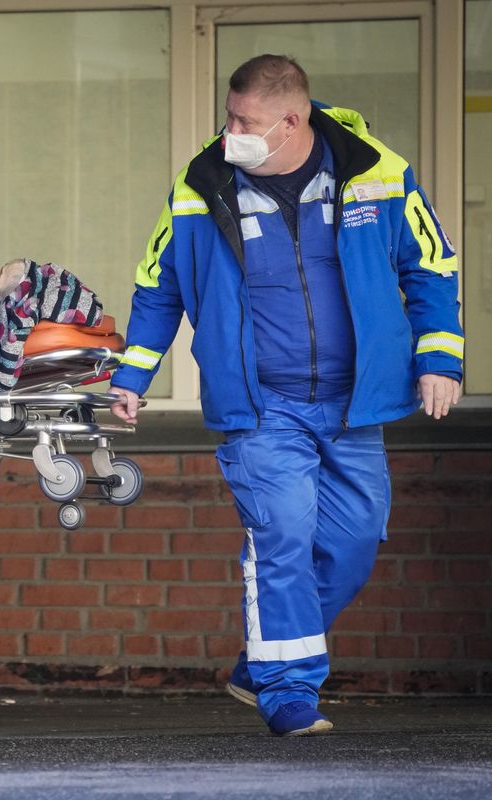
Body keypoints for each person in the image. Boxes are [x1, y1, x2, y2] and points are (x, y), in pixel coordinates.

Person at [108, 55, 463, 737]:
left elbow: (431, 264)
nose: (229, 130)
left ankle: (265, 657)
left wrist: (439, 356)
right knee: (284, 537)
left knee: (355, 541)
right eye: (229, 115)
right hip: (261, 405)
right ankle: (288, 691)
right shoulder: (202, 183)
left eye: (245, 121)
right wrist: (133, 375)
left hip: (354, 402)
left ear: (291, 121)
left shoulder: (378, 174)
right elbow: (160, 284)